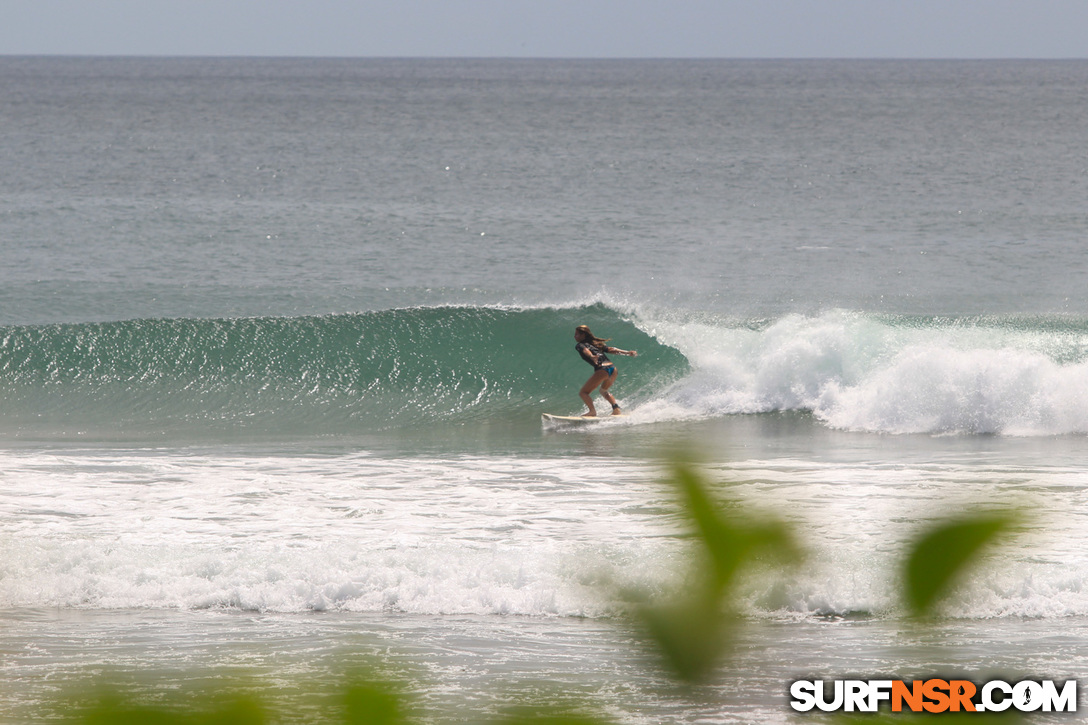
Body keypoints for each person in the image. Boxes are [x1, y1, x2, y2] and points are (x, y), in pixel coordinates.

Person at [573, 324, 637, 417]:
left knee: (583, 393)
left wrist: (591, 356)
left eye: (577, 334)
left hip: (602, 369)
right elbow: (611, 349)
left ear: (583, 335)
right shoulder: (596, 344)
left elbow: (585, 350)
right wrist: (627, 352)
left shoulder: (580, 345)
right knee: (603, 391)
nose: (575, 336)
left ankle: (592, 412)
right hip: (612, 368)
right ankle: (616, 409)